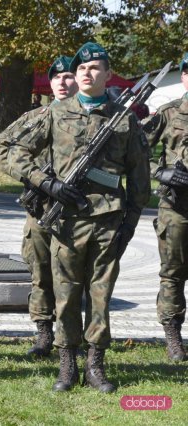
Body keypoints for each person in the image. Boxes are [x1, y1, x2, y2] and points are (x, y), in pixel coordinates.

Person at [6, 42, 150, 393]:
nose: (87, 73)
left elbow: (140, 178)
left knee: (100, 296)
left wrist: (129, 225)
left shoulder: (124, 119)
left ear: (107, 73)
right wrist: (46, 183)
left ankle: (96, 366)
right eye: (81, 69)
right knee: (66, 295)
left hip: (108, 220)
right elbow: (9, 150)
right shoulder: (55, 113)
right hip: (67, 222)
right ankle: (67, 365)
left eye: (94, 68)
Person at [0, 55, 78, 358]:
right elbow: (0, 150)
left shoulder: (91, 121)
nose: (63, 83)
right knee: (41, 273)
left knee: (73, 276)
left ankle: (71, 338)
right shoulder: (36, 117)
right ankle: (44, 334)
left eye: (69, 77)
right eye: (57, 77)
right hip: (41, 208)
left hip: (78, 213)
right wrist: (33, 178)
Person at [143, 52, 188, 362]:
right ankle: (173, 338)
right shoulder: (169, 113)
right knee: (173, 273)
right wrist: (161, 173)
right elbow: (132, 152)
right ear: (184, 75)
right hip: (177, 208)